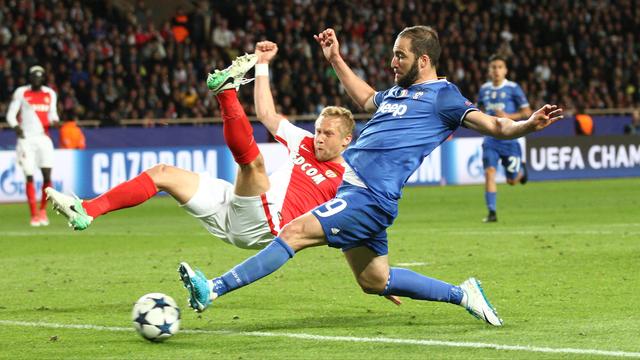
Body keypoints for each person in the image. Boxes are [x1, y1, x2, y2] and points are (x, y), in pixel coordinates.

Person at [178, 28, 563, 327]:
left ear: (424, 60)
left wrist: (527, 124)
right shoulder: (398, 92)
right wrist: (335, 59)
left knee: (293, 233)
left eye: (400, 55)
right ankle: (463, 294)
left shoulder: (444, 97)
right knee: (374, 281)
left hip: (369, 196)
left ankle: (212, 289)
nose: (392, 61)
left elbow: (494, 124)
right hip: (361, 193)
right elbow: (364, 99)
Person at [477, 54, 533, 223]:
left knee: (511, 181)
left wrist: (509, 115)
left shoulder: (513, 88)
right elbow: (479, 109)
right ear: (489, 70)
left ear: (505, 70)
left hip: (510, 139)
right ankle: (492, 212)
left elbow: (527, 112)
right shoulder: (484, 89)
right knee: (489, 172)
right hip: (491, 139)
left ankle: (521, 173)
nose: (496, 71)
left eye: (500, 67)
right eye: (493, 67)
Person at [6, 65, 60, 226]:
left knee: (47, 176)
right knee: (29, 174)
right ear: (29, 77)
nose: (37, 79)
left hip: (44, 138)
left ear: (43, 78)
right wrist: (16, 128)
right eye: (34, 76)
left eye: (40, 76)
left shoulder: (50, 93)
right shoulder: (21, 92)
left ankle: (43, 211)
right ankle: (33, 214)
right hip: (26, 139)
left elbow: (53, 115)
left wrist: (55, 122)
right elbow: (10, 115)